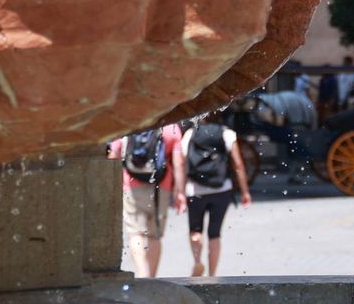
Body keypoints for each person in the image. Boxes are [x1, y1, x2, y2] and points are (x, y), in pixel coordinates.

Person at [108, 123, 185, 278]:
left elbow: (114, 153)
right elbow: (179, 162)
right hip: (161, 186)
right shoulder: (171, 126)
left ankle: (142, 272)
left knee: (136, 232)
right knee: (154, 234)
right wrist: (180, 191)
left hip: (130, 185)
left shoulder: (131, 122)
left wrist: (110, 185)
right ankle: (151, 277)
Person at [182, 117, 252, 277]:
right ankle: (212, 274)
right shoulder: (227, 134)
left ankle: (198, 261)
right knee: (215, 233)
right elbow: (238, 164)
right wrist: (245, 190)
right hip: (221, 190)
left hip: (195, 190)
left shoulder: (190, 134)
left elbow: (181, 162)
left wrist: (179, 190)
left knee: (195, 230)